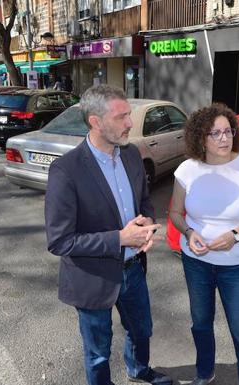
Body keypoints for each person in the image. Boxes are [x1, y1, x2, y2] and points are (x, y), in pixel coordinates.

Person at [45, 84, 172, 385]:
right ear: (96, 122)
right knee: (98, 352)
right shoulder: (66, 170)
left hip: (133, 269)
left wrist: (148, 225)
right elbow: (60, 240)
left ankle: (138, 370)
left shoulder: (131, 155)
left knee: (142, 331)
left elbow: (143, 200)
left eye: (129, 114)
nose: (130, 123)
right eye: (121, 117)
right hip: (92, 277)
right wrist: (120, 238)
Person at [169, 103, 239, 385]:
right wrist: (189, 233)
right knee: (201, 324)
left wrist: (236, 235)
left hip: (236, 264)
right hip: (196, 261)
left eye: (228, 132)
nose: (224, 139)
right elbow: (176, 213)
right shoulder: (187, 170)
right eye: (215, 134)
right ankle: (205, 374)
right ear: (200, 137)